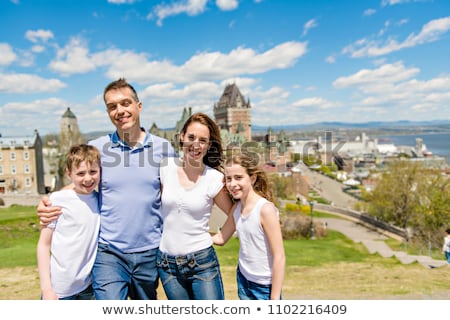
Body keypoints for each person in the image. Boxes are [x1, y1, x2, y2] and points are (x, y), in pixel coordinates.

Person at [37, 78, 176, 300]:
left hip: (149, 251)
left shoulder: (163, 148)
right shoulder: (98, 148)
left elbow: (176, 192)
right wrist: (51, 200)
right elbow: (81, 182)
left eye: (125, 103)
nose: (120, 110)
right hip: (109, 252)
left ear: (138, 106)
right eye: (112, 106)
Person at [157, 112, 233, 300]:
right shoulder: (165, 167)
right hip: (167, 265)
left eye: (202, 140)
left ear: (209, 145)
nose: (195, 145)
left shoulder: (214, 178)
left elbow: (235, 213)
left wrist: (221, 237)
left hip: (202, 263)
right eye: (191, 137)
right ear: (182, 137)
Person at [212, 152, 285, 300]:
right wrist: (190, 233)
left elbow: (279, 257)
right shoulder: (236, 209)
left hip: (264, 286)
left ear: (252, 178)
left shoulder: (265, 209)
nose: (233, 184)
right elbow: (220, 238)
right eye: (229, 179)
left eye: (238, 178)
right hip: (243, 280)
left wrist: (275, 298)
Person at [37, 144, 101, 300]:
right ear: (69, 174)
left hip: (87, 288)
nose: (88, 178)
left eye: (93, 171)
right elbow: (44, 245)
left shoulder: (99, 199)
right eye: (80, 173)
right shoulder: (58, 200)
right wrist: (47, 289)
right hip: (59, 290)